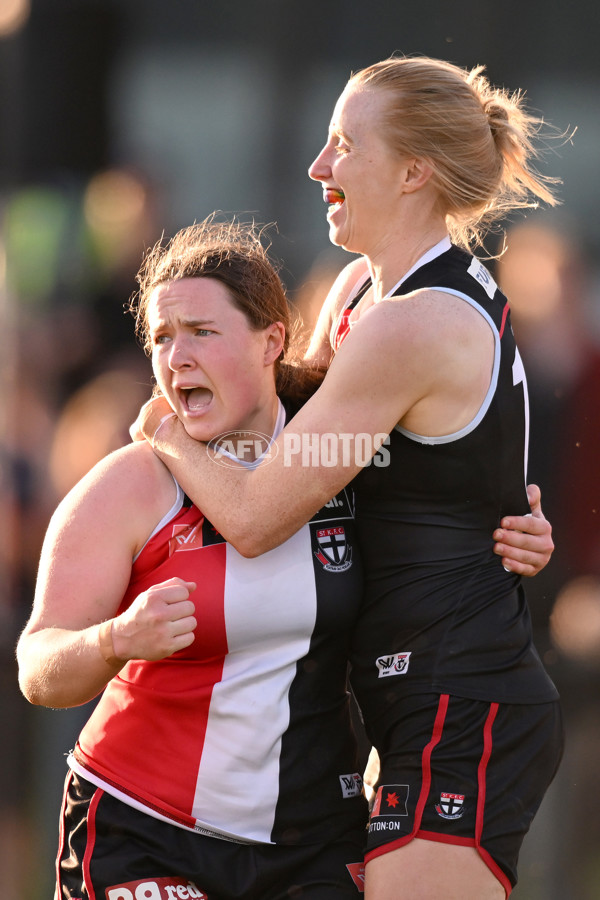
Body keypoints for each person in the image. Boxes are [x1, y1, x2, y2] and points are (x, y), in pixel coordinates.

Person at [132, 56, 563, 899]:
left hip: (460, 698)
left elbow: (259, 513)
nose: (318, 167)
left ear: (412, 172)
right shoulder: (364, 292)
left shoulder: (416, 322)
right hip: (398, 700)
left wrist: (166, 439)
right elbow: (299, 437)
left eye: (342, 145)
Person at [17, 220, 371, 899]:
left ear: (274, 340)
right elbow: (39, 666)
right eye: (161, 337)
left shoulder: (342, 464)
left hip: (311, 839)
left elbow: (452, 521)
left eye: (201, 332)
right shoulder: (129, 484)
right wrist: (114, 638)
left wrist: (518, 532)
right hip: (142, 825)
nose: (176, 357)